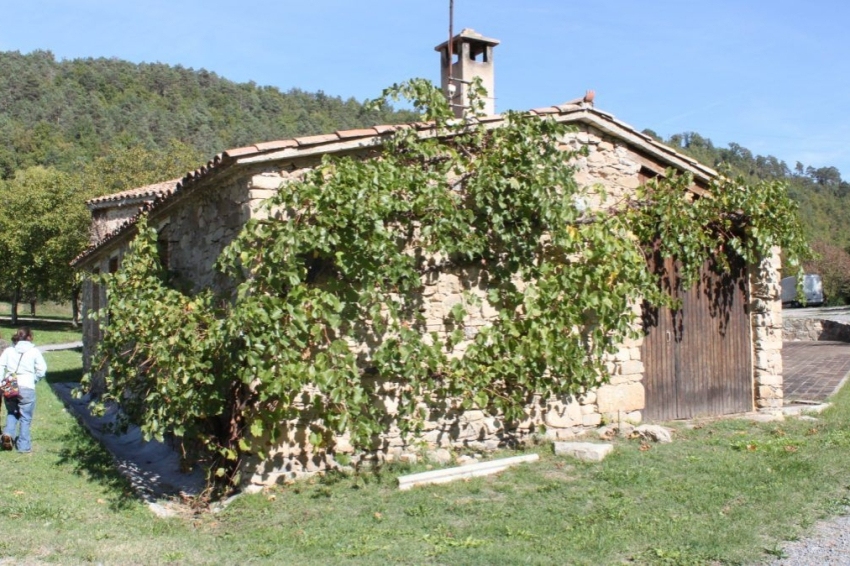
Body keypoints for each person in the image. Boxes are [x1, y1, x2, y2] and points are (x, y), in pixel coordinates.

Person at [1, 327, 47, 453]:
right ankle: (23, 446)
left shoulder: (9, 351)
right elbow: (42, 370)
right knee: (25, 416)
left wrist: (1, 382)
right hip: (27, 385)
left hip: (10, 385)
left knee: (12, 412)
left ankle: (8, 433)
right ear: (29, 337)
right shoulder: (34, 351)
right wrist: (34, 379)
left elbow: (1, 366)